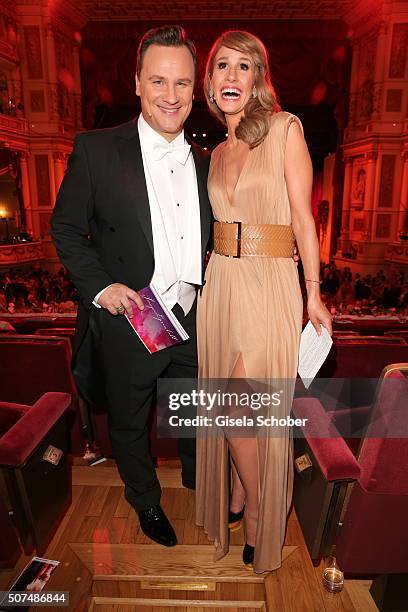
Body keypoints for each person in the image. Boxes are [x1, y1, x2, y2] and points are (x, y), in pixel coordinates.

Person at [51, 25, 212, 548]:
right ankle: (144, 500)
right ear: (138, 84)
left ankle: (197, 483)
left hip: (190, 314)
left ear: (195, 90)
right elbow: (66, 230)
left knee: (192, 408)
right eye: (159, 81)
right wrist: (101, 288)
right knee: (129, 420)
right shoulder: (96, 150)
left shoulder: (207, 162)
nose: (171, 95)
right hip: (134, 315)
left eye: (182, 83)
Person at [196, 30, 332, 573]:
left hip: (268, 280)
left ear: (258, 79)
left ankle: (256, 506)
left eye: (243, 67)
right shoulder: (216, 153)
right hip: (220, 283)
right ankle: (234, 495)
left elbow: (303, 217)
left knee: (236, 407)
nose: (231, 77)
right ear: (209, 82)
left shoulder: (284, 129)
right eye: (222, 67)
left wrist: (314, 294)